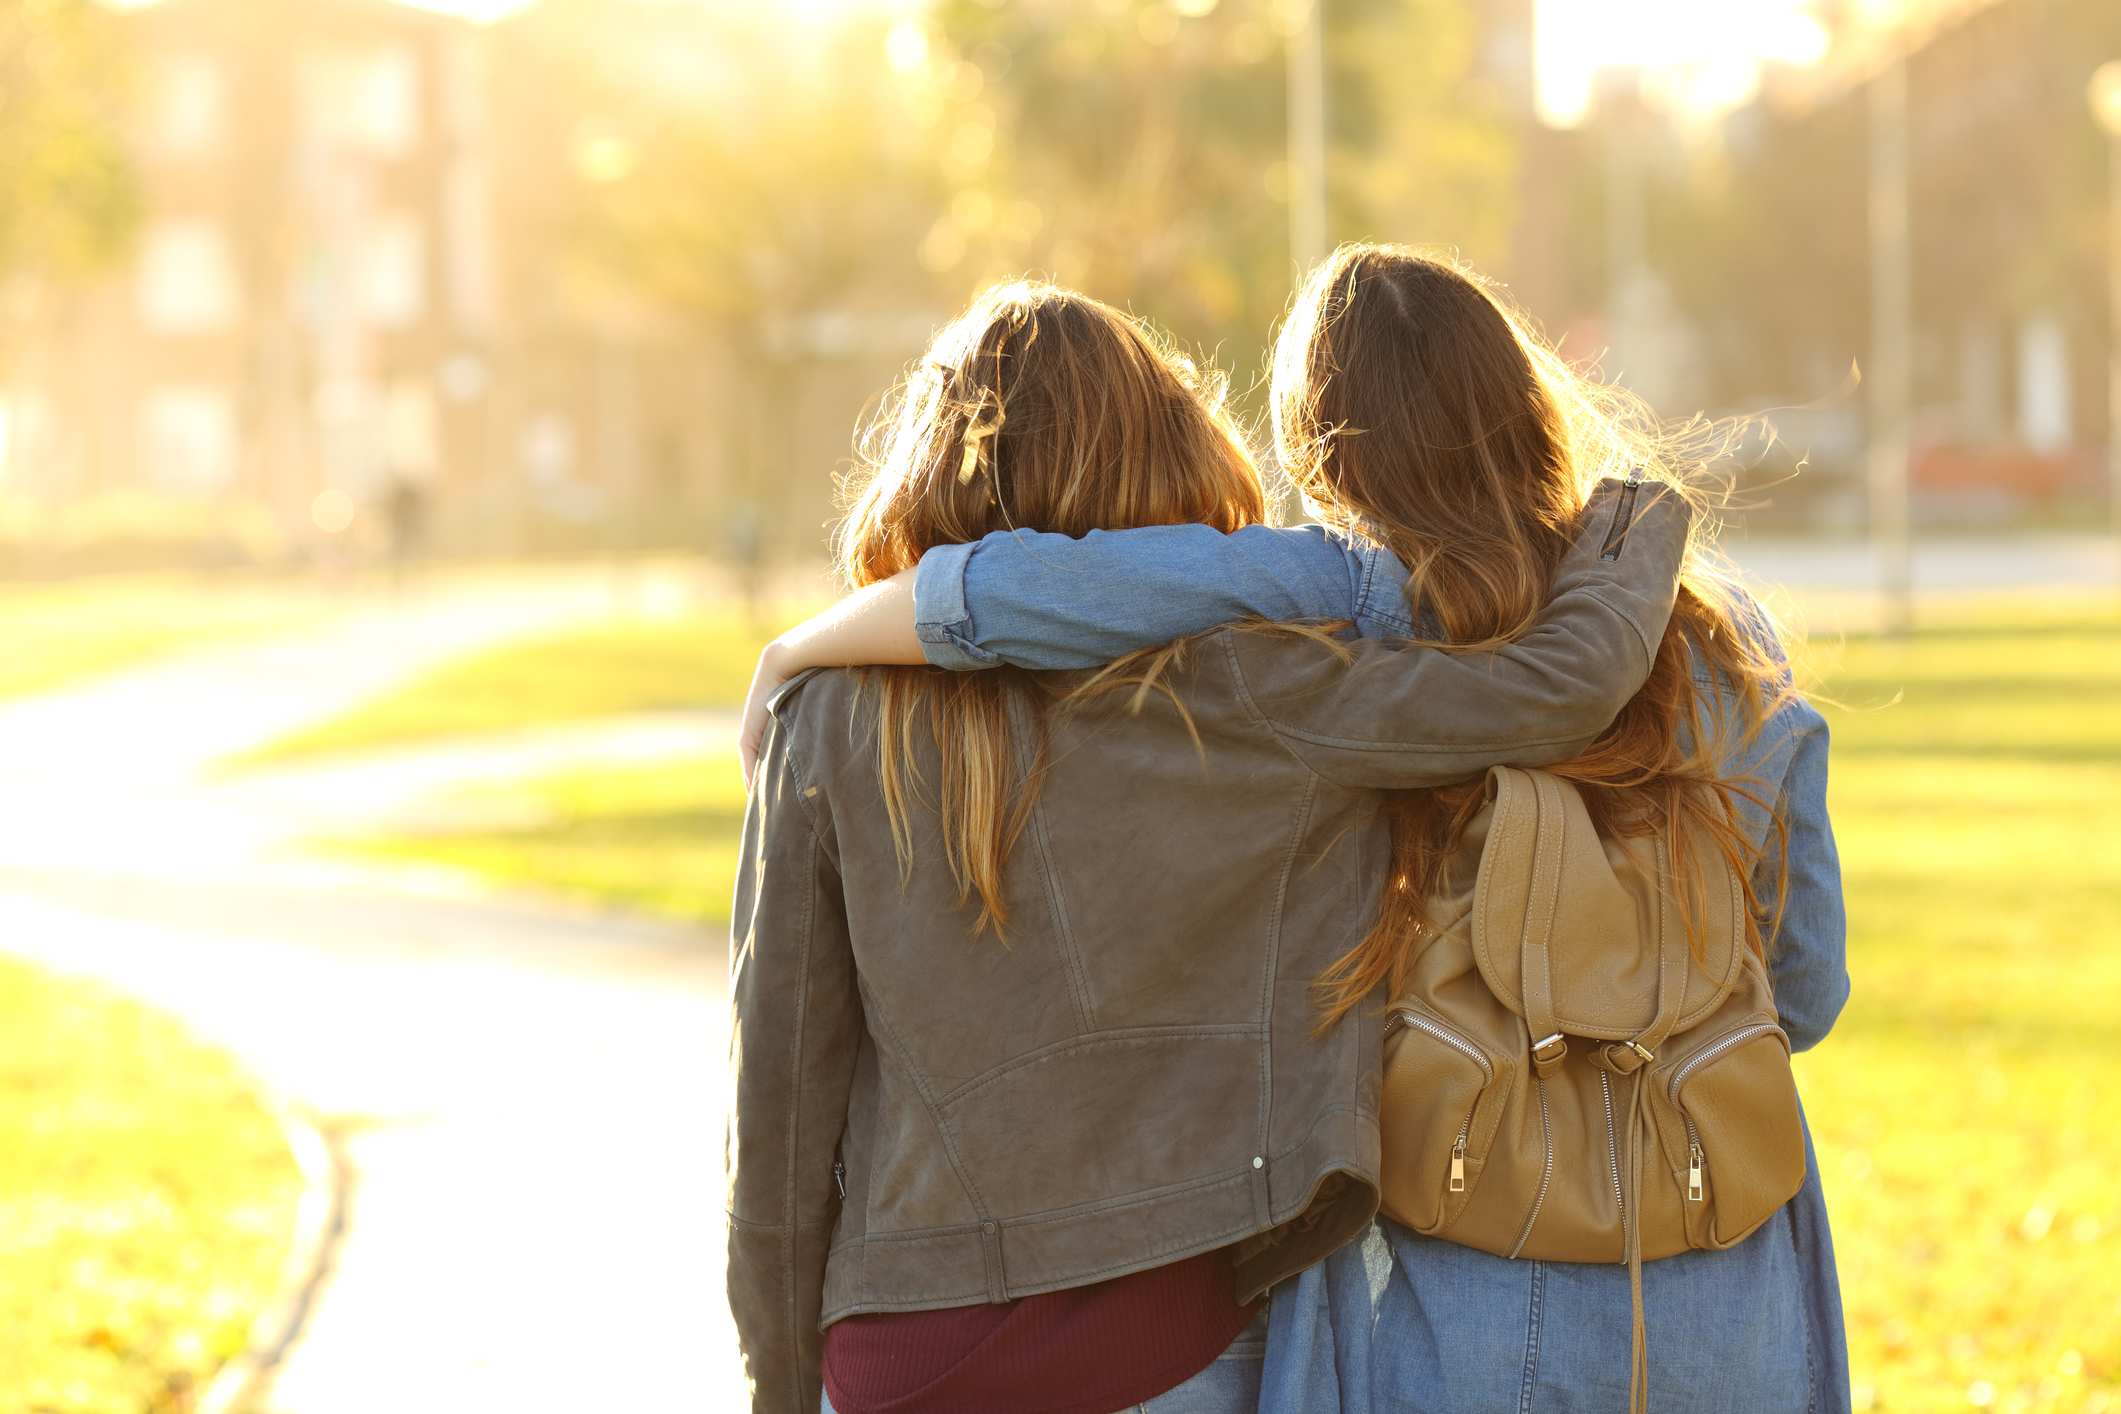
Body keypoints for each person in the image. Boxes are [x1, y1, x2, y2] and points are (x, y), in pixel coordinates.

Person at [743, 246, 1850, 1413]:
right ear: (1531, 406)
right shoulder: (1729, 652)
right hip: (1722, 1258)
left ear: (1324, 453)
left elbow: (1098, 586)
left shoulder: (1340, 614)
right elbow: (1806, 987)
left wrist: (838, 631)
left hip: (1433, 1272)